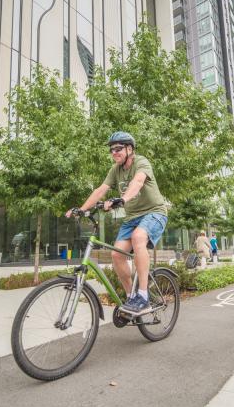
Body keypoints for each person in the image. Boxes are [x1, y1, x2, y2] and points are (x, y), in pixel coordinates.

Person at [66, 131, 168, 316]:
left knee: (139, 237)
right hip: (132, 218)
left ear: (129, 149)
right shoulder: (115, 170)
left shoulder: (141, 162)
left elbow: (137, 181)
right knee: (116, 255)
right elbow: (100, 190)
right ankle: (131, 298)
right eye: (111, 150)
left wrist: (122, 199)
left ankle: (143, 296)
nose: (114, 152)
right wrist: (81, 209)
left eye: (118, 148)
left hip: (154, 213)